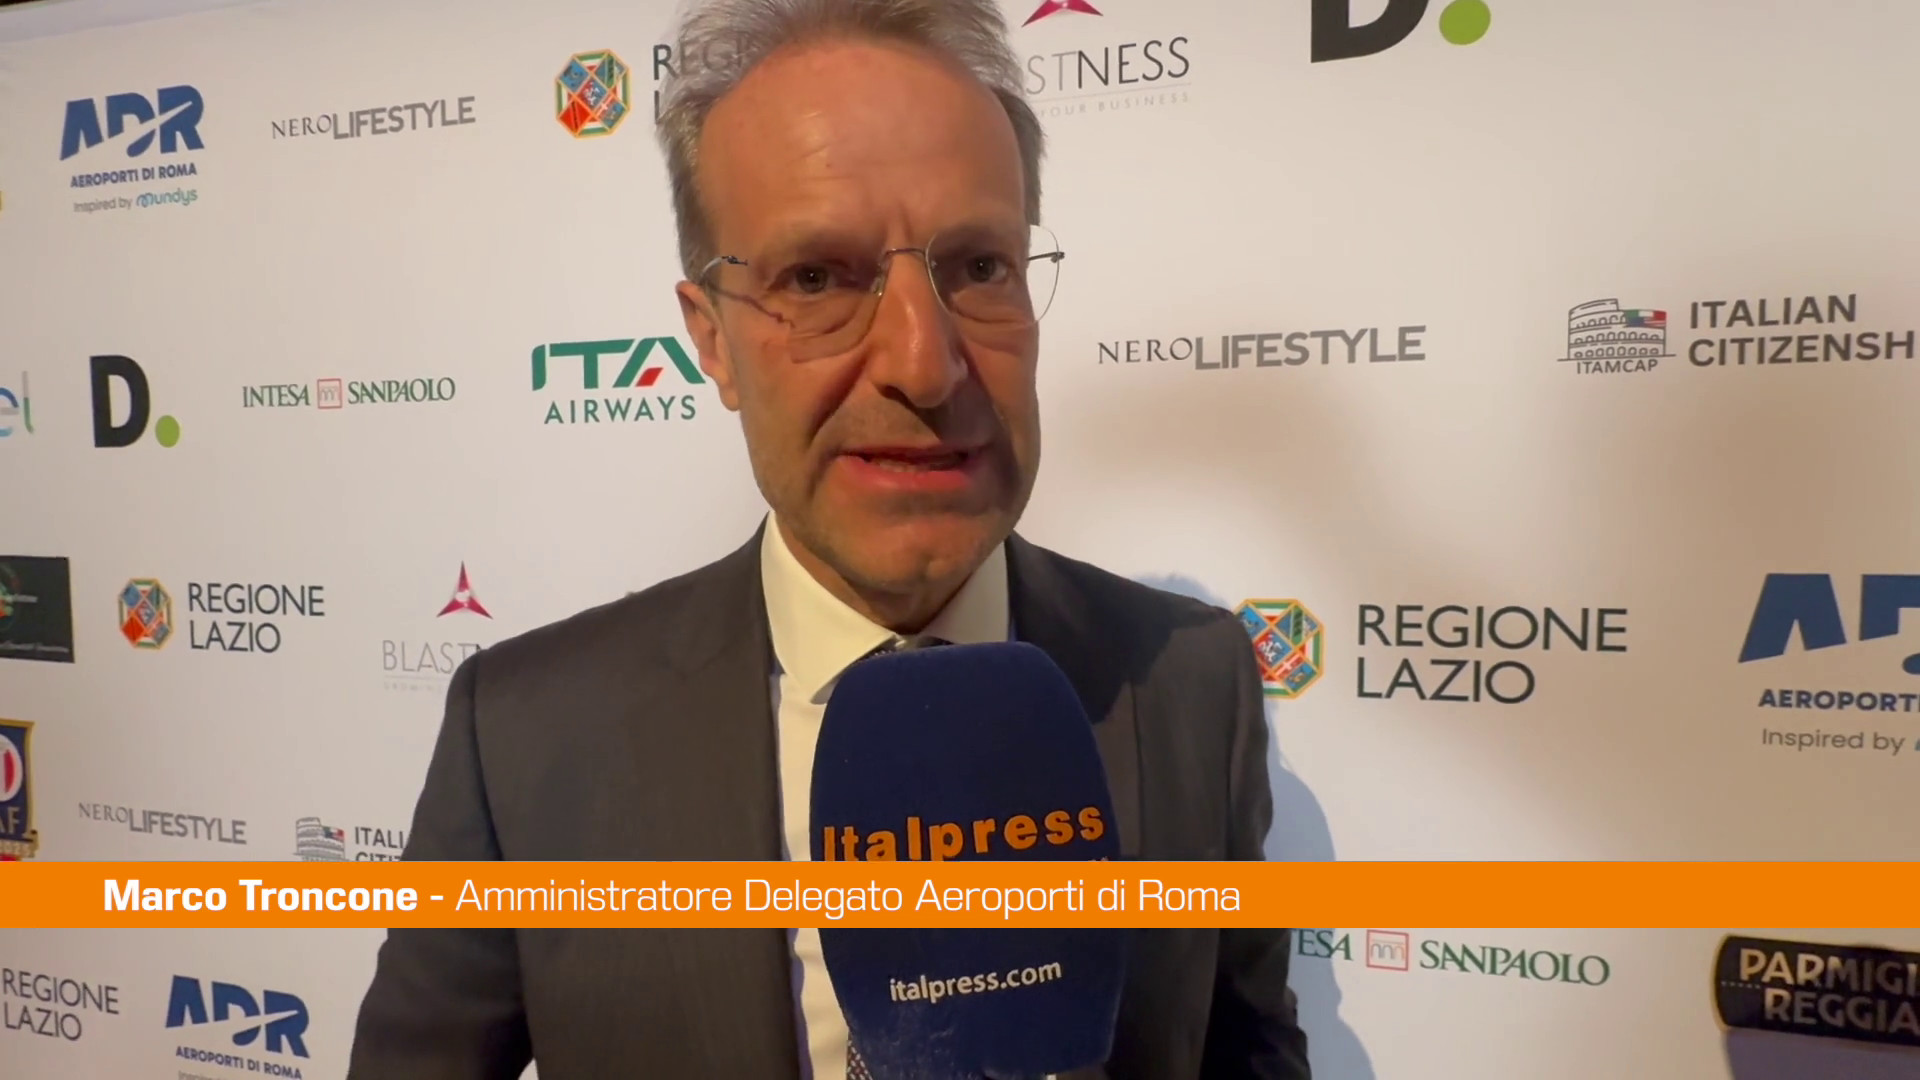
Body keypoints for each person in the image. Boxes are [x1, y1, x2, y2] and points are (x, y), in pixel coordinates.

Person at [346, 0, 1312, 1076]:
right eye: (817, 278)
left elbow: (1248, 1048)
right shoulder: (525, 734)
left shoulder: (1194, 681)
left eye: (979, 267)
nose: (925, 364)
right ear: (712, 340)